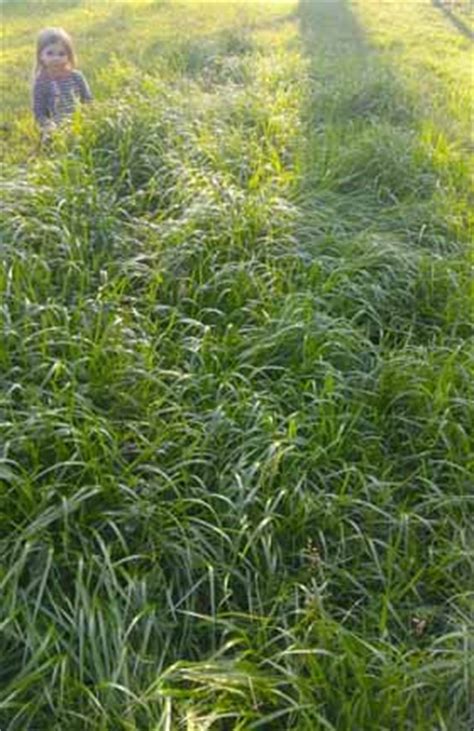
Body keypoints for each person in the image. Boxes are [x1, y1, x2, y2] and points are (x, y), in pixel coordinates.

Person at [32, 27, 92, 141]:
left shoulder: (76, 77)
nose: (56, 58)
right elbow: (39, 112)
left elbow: (88, 101)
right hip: (55, 129)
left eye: (61, 54)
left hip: (80, 123)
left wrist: (86, 117)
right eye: (50, 53)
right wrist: (48, 125)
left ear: (69, 56)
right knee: (50, 143)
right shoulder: (41, 82)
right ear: (41, 56)